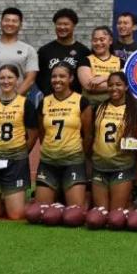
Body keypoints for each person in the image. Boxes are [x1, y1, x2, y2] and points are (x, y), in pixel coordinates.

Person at [0, 65, 38, 220]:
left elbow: (32, 135)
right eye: (2, 78)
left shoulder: (26, 104)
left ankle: (20, 201)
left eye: (10, 77)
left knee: (16, 215)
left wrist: (20, 152)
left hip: (16, 160)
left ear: (17, 80)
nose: (6, 81)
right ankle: (2, 201)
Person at [35, 63, 93, 207]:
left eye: (62, 76)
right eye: (54, 76)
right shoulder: (44, 102)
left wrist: (79, 153)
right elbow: (42, 132)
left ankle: (87, 197)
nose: (57, 80)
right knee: (41, 211)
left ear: (71, 78)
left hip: (73, 161)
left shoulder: (81, 101)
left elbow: (88, 135)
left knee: (75, 212)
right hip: (48, 161)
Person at [91, 72, 137, 211]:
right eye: (110, 85)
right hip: (99, 167)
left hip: (122, 167)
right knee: (100, 215)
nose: (114, 88)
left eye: (118, 84)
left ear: (126, 87)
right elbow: (91, 136)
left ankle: (131, 205)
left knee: (116, 215)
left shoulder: (135, 111)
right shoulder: (99, 108)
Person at [0, 7, 38, 99]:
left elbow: (30, 80)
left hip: (20, 103)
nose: (10, 23)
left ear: (20, 25)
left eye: (14, 21)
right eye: (7, 20)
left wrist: (14, 99)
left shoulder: (29, 50)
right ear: (1, 23)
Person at [36, 8, 90, 98]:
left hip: (75, 101)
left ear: (73, 26)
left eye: (66, 24)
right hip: (50, 100)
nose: (62, 27)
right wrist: (47, 91)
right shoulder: (44, 51)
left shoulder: (83, 51)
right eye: (59, 24)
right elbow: (38, 77)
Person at [78, 26, 123, 105]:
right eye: (95, 40)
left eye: (102, 40)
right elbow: (89, 86)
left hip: (116, 108)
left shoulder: (121, 62)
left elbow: (125, 83)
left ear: (110, 41)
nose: (98, 43)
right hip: (91, 107)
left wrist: (103, 78)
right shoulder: (85, 61)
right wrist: (117, 85)